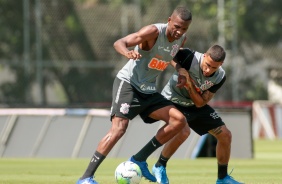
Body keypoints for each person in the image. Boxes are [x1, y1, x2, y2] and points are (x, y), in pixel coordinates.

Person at [76, 7, 192, 184]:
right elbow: (119, 42)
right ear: (169, 20)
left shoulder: (181, 39)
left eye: (184, 29)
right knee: (119, 129)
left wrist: (180, 69)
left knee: (179, 121)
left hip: (149, 90)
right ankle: (85, 178)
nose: (179, 31)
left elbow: (171, 55)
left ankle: (139, 159)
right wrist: (128, 52)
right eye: (177, 26)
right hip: (128, 84)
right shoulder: (153, 32)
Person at [151, 45, 244, 184]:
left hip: (195, 105)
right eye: (207, 65)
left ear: (221, 65)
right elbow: (168, 52)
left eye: (214, 67)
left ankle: (222, 178)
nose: (208, 70)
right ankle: (159, 166)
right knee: (183, 132)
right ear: (205, 55)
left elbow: (201, 103)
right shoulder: (189, 56)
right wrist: (179, 68)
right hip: (172, 100)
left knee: (225, 135)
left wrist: (189, 85)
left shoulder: (220, 76)